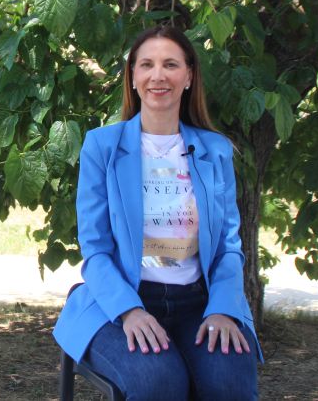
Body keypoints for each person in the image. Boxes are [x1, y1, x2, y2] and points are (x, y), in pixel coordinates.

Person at [53, 25, 261, 400]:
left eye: (170, 64)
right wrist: (131, 312)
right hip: (120, 302)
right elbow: (95, 249)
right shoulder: (102, 146)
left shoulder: (215, 150)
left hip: (200, 302)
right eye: (146, 64)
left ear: (189, 75)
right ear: (133, 77)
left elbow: (230, 246)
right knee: (160, 383)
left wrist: (223, 310)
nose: (158, 75)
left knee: (229, 383)